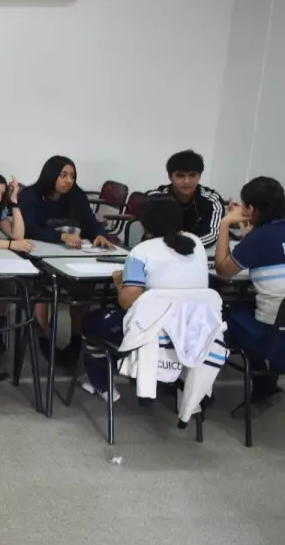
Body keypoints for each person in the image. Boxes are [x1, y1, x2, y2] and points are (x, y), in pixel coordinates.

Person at [78, 198, 209, 401]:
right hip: (192, 332)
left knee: (92, 323)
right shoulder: (196, 244)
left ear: (145, 224)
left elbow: (128, 302)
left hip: (152, 334)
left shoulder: (142, 252)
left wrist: (120, 282)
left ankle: (102, 383)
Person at [214, 176, 285, 404]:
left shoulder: (260, 238)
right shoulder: (262, 236)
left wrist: (225, 223)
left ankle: (262, 382)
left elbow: (223, 270)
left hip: (272, 336)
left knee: (223, 312)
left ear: (252, 209)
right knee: (247, 304)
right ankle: (267, 382)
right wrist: (250, 237)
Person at [18, 155, 113, 250]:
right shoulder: (29, 195)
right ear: (51, 175)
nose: (69, 181)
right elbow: (29, 229)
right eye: (63, 176)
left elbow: (90, 221)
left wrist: (99, 235)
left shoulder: (76, 194)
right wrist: (61, 236)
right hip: (37, 247)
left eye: (72, 176)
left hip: (71, 249)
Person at [144, 150, 225, 249]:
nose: (187, 181)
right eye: (180, 175)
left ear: (199, 176)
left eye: (192, 175)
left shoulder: (212, 200)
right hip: (159, 252)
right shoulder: (156, 198)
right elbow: (152, 235)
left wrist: (181, 245)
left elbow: (211, 235)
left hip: (194, 253)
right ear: (170, 176)